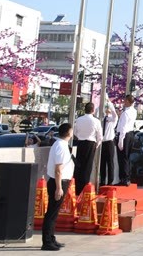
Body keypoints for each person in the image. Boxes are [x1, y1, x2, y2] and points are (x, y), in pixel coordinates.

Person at [42, 123, 75, 251]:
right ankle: (47, 241)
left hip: (60, 181)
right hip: (58, 182)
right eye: (71, 130)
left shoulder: (61, 144)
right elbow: (58, 170)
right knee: (52, 212)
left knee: (54, 212)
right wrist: (59, 187)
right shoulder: (61, 146)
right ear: (68, 132)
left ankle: (51, 237)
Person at [73, 102, 103, 195]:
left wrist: (80, 136)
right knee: (87, 167)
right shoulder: (96, 121)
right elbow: (100, 136)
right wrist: (96, 145)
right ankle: (84, 188)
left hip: (81, 143)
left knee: (79, 165)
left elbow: (75, 132)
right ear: (93, 110)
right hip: (91, 143)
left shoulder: (79, 120)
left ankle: (77, 187)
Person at [115, 95, 137, 186]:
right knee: (127, 157)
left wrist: (120, 139)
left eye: (125, 100)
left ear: (128, 101)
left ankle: (123, 178)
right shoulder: (134, 111)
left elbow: (123, 127)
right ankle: (127, 177)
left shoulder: (126, 113)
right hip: (131, 134)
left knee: (122, 157)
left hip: (124, 135)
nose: (124, 102)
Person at [100, 101, 117, 186]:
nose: (107, 110)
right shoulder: (101, 119)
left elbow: (115, 116)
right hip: (102, 143)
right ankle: (102, 180)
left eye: (108, 109)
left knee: (110, 162)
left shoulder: (112, 119)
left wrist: (110, 104)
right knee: (102, 163)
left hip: (109, 142)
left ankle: (110, 181)